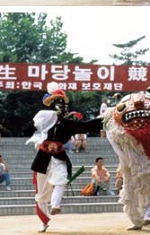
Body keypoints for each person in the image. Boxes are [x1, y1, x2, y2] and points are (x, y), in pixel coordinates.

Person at [26, 82, 100, 233]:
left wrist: (105, 118)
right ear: (51, 104)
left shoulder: (68, 124)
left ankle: (55, 205)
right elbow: (29, 128)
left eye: (61, 102)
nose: (59, 105)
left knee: (61, 179)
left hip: (59, 156)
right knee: (41, 194)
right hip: (43, 158)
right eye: (56, 101)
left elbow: (86, 126)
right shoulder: (43, 120)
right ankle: (44, 221)